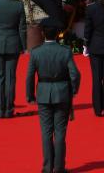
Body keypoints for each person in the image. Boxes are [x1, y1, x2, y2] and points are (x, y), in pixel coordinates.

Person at [26, 17, 80, 173]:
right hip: (62, 93)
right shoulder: (65, 51)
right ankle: (59, 167)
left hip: (43, 93)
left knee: (46, 132)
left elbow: (30, 76)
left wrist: (30, 95)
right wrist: (73, 90)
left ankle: (47, 167)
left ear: (42, 33)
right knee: (60, 133)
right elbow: (75, 74)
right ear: (58, 34)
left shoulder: (36, 52)